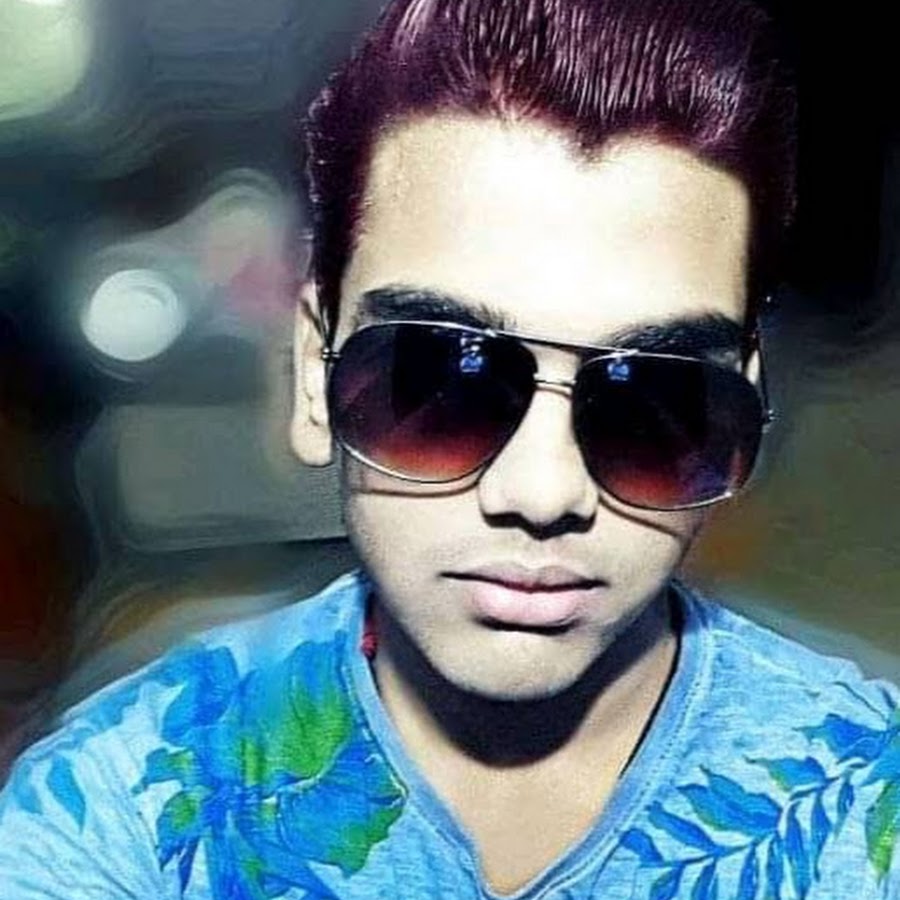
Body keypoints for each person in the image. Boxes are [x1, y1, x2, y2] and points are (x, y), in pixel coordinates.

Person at [1, 0, 898, 897]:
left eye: (655, 399)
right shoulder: (117, 813)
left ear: (749, 402)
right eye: (436, 378)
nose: (542, 492)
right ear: (313, 374)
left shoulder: (868, 814)